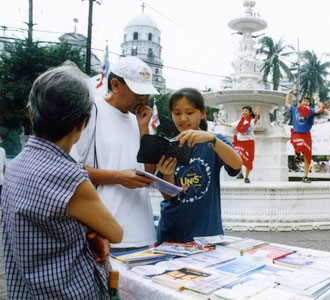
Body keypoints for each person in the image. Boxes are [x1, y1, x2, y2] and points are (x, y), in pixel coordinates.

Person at [1, 65, 123, 298]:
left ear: (31, 115)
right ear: (82, 123)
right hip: (69, 291)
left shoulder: (15, 166)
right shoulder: (70, 176)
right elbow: (115, 232)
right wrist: (97, 232)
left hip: (25, 290)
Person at [71, 56, 158, 252]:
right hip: (104, 233)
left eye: (146, 93)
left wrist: (144, 129)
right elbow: (71, 169)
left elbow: (149, 171)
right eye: (138, 92)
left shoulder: (141, 119)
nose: (143, 99)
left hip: (143, 234)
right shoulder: (91, 113)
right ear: (115, 85)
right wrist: (118, 177)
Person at [156, 88, 242, 244]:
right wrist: (167, 174)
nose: (183, 118)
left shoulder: (215, 141)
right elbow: (169, 196)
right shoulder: (170, 146)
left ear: (202, 113)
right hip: (172, 231)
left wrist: (212, 140)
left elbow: (236, 165)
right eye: (177, 113)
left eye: (189, 113)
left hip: (206, 232)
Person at [285, 88, 328, 183]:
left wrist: (323, 105)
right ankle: (297, 154)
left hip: (306, 135)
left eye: (307, 102)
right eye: (304, 101)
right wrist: (289, 93)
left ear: (309, 104)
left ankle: (305, 176)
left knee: (308, 156)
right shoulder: (295, 110)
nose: (306, 102)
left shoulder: (311, 111)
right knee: (299, 145)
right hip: (297, 134)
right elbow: (287, 104)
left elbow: (319, 110)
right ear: (300, 103)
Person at [219, 106, 260, 183]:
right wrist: (222, 123)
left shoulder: (251, 121)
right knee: (239, 157)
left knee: (249, 159)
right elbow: (230, 125)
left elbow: (255, 121)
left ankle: (247, 177)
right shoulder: (239, 121)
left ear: (250, 113)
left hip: (249, 143)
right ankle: (240, 173)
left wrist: (257, 115)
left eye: (246, 111)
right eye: (243, 110)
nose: (244, 112)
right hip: (240, 142)